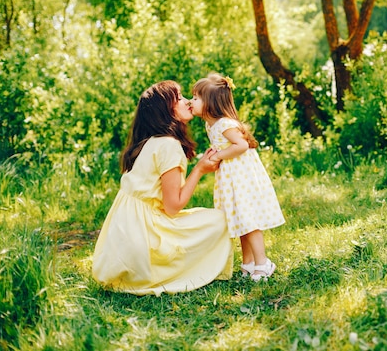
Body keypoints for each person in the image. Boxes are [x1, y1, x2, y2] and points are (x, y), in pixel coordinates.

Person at [92, 80, 233, 296]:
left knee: (202, 219)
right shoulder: (169, 145)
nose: (187, 102)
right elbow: (173, 207)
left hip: (123, 241)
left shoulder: (151, 142)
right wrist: (200, 170)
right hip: (144, 240)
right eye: (179, 98)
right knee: (218, 221)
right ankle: (168, 269)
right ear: (165, 110)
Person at [191, 72, 285, 282]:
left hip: (242, 177)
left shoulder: (225, 124)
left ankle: (263, 263)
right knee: (241, 220)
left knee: (249, 220)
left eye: (196, 98)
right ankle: (248, 263)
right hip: (231, 178)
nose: (191, 101)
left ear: (210, 103)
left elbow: (241, 145)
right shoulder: (211, 125)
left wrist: (219, 156)